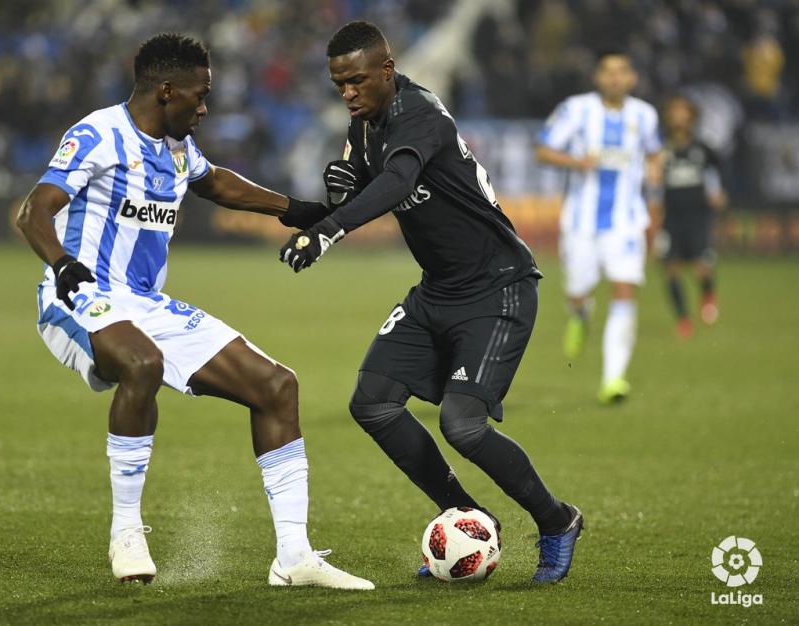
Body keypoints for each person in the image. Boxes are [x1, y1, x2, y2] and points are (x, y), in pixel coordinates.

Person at [15, 33, 372, 590]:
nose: (205, 109)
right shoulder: (98, 134)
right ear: (166, 91)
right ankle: (126, 532)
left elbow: (214, 182)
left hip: (145, 302)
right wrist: (61, 263)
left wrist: (295, 209)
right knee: (142, 364)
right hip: (79, 292)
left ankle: (294, 557)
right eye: (200, 96)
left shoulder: (177, 146)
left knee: (277, 386)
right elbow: (33, 210)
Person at [278, 21, 582, 584]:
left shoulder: (420, 114)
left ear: (387, 70)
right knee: (372, 403)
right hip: (438, 290)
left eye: (357, 81)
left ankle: (557, 520)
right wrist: (333, 196)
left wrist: (329, 230)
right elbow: (363, 188)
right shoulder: (364, 124)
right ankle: (468, 517)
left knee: (462, 426)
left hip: (499, 287)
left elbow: (397, 181)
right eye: (339, 84)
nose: (348, 93)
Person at [535, 50, 662, 404]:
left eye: (622, 71)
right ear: (597, 77)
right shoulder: (576, 109)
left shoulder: (645, 115)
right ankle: (580, 313)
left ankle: (613, 378)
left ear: (633, 77)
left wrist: (655, 173)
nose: (615, 77)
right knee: (579, 290)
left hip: (626, 221)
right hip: (581, 221)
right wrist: (576, 161)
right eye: (608, 71)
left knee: (624, 289)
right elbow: (542, 150)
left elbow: (654, 153)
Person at [657, 96, 726, 337]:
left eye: (683, 112)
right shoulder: (662, 149)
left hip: (698, 215)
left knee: (701, 266)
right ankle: (683, 318)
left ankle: (708, 294)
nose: (678, 118)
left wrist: (718, 191)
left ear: (691, 117)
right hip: (671, 217)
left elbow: (718, 169)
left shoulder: (702, 148)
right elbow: (652, 181)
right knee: (671, 268)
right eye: (674, 112)